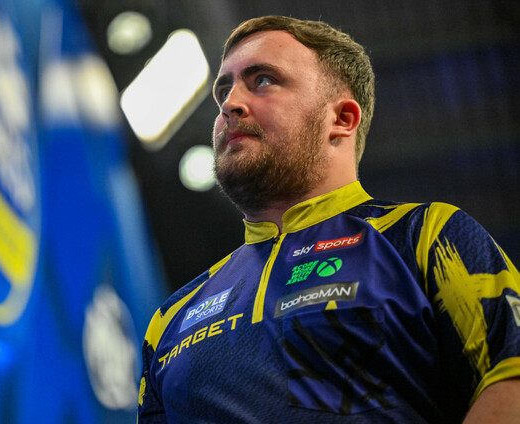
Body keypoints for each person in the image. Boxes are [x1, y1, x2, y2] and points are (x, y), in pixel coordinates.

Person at [136, 16, 520, 423]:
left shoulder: (425, 236)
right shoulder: (170, 319)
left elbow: (511, 380)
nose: (230, 104)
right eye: (223, 91)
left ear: (342, 119)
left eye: (262, 80)